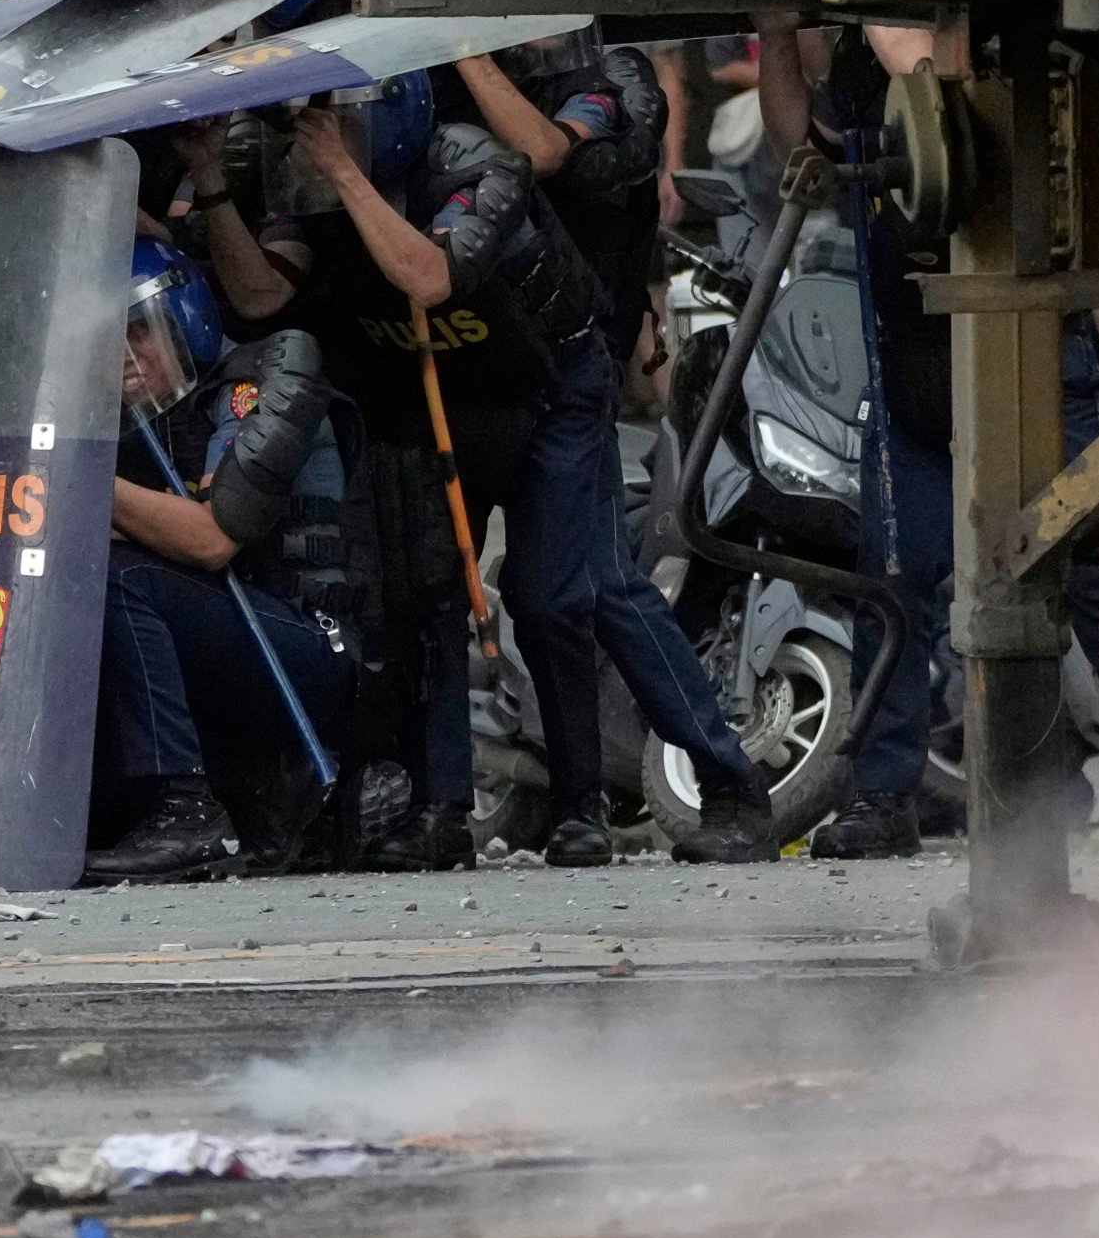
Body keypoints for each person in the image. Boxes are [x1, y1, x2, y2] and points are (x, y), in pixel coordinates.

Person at [444, 54, 779, 864]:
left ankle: (716, 782)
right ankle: (542, 806)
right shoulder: (431, 90)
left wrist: (465, 54)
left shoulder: (608, 79)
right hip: (465, 363)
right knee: (461, 591)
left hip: (565, 364)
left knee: (572, 591)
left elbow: (550, 154)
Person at [175, 83, 485, 868]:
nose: (313, 131)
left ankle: (441, 805)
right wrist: (210, 176)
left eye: (334, 115)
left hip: (430, 410)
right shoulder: (296, 193)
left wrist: (343, 168)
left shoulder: (427, 173)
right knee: (332, 598)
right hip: (322, 411)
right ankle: (339, 804)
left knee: (429, 596)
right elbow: (258, 290)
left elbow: (426, 276)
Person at [90, 242, 365, 884]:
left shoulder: (249, 390)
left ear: (185, 316)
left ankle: (185, 812)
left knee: (117, 575)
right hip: (229, 638)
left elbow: (214, 538)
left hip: (311, 647)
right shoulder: (137, 420)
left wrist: (79, 475)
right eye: (109, 338)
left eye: (140, 330)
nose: (127, 356)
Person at [755, 16, 954, 860]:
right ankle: (882, 794)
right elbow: (802, 136)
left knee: (1083, 571)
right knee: (892, 583)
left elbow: (937, 91)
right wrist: (772, 28)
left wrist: (880, 16)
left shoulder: (942, 43)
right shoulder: (857, 65)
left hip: (1022, 352)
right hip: (909, 364)